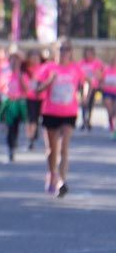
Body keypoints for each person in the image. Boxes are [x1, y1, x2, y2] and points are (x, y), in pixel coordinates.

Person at [35, 41, 83, 197]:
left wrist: (84, 96)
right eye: (61, 49)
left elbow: (83, 84)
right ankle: (52, 174)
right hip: (50, 112)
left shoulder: (75, 69)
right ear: (55, 51)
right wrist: (49, 80)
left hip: (69, 113)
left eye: (67, 49)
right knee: (51, 150)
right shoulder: (48, 68)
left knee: (64, 148)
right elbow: (36, 90)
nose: (64, 52)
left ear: (71, 51)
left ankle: (62, 181)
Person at [0, 50, 29, 162]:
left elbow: (26, 90)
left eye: (16, 60)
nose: (14, 62)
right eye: (12, 59)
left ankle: (13, 142)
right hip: (8, 104)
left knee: (15, 127)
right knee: (10, 126)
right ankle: (10, 147)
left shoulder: (23, 75)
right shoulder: (5, 75)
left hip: (19, 104)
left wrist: (20, 78)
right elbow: (1, 88)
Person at [24, 49, 45, 150]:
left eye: (37, 57)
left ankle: (36, 135)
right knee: (31, 119)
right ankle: (30, 139)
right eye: (33, 56)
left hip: (42, 98)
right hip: (30, 98)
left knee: (39, 119)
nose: (35, 59)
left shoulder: (44, 68)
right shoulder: (26, 69)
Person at [78, 46, 103, 131]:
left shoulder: (97, 63)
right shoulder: (81, 63)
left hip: (93, 86)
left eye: (90, 53)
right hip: (82, 85)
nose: (88, 55)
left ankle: (89, 120)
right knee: (83, 103)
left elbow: (99, 75)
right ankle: (83, 120)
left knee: (90, 104)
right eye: (87, 53)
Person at [100, 56, 116, 137]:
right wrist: (104, 85)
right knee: (110, 112)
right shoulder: (106, 70)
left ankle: (114, 127)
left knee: (114, 111)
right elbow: (101, 81)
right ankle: (112, 127)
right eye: (112, 61)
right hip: (107, 93)